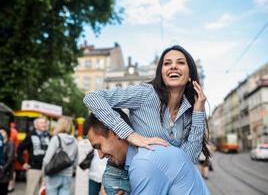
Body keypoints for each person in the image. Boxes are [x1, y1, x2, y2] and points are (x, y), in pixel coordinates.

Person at [83, 45, 210, 193]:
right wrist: (130, 135)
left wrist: (198, 113)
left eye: (180, 62)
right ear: (161, 73)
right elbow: (92, 98)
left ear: (189, 75)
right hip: (123, 172)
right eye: (167, 63)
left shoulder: (189, 111)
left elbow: (187, 159)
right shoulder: (145, 94)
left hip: (160, 179)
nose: (173, 66)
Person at [84, 110, 211, 195]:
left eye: (99, 146)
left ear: (116, 132)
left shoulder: (144, 162)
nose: (100, 156)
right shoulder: (140, 156)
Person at [42, 117, 78, 195]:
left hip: (54, 174)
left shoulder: (56, 139)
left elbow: (46, 160)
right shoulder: (75, 141)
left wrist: (43, 175)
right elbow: (76, 161)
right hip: (68, 175)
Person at [17, 117, 50, 195]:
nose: (44, 124)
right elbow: (19, 149)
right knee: (31, 192)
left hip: (47, 168)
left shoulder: (48, 135)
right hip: (33, 168)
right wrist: (22, 163)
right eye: (42, 123)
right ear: (36, 125)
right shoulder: (30, 135)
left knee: (45, 192)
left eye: (45, 123)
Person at [0, 127, 15, 195]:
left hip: (4, 172)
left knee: (2, 190)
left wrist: (2, 168)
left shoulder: (10, 143)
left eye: (2, 132)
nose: (0, 133)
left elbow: (10, 158)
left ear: (7, 133)